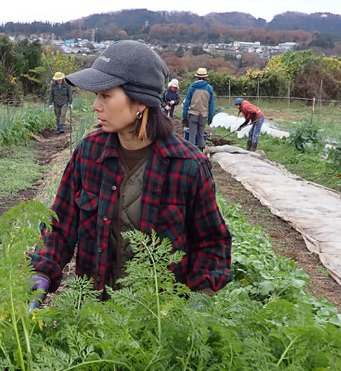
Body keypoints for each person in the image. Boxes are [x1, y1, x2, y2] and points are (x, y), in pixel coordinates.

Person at [30, 40, 231, 299]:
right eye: (96, 96)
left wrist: (199, 299)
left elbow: (212, 243)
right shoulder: (89, 153)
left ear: (140, 102)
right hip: (94, 315)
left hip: (158, 319)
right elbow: (61, 226)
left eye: (105, 95)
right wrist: (42, 271)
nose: (96, 106)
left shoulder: (188, 165)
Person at [182, 67, 215, 151]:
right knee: (200, 135)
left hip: (193, 114)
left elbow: (187, 103)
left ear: (197, 77)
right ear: (205, 77)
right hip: (203, 115)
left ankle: (191, 154)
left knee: (192, 135)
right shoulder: (209, 88)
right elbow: (211, 104)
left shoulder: (192, 87)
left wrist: (184, 115)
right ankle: (201, 153)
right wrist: (211, 117)